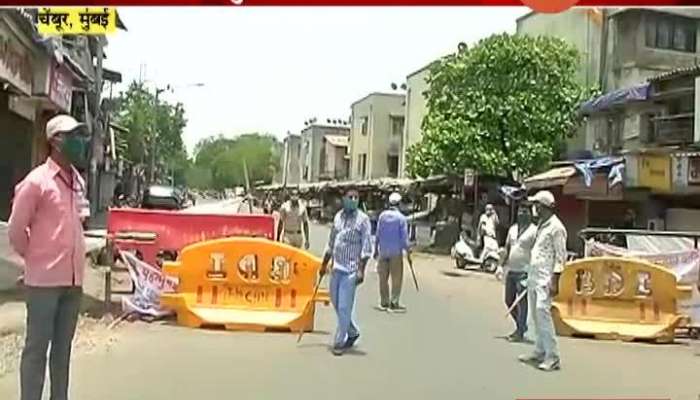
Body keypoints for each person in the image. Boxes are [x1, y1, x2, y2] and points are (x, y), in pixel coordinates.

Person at [8, 114, 90, 400]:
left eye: (81, 135)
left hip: (73, 280)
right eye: (73, 136)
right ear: (55, 141)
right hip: (43, 282)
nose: (80, 142)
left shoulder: (77, 182)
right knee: (36, 350)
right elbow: (17, 229)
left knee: (62, 353)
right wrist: (34, 259)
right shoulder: (36, 182)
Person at [519, 190, 567, 372]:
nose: (534, 208)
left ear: (544, 206)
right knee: (535, 315)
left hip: (546, 278)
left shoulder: (557, 228)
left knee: (542, 313)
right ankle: (539, 350)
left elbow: (560, 257)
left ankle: (552, 356)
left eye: (536, 205)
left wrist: (555, 280)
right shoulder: (541, 225)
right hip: (534, 276)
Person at [320, 188, 372, 356]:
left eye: (356, 197)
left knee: (344, 306)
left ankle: (339, 341)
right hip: (336, 267)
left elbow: (366, 247)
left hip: (351, 269)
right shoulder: (338, 217)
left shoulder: (363, 220)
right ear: (344, 199)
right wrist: (324, 264)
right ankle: (352, 331)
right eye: (350, 197)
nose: (353, 199)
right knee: (336, 302)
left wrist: (361, 271)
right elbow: (331, 242)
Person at [502, 203, 537, 342]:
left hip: (524, 271)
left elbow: (537, 252)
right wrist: (500, 265)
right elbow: (507, 248)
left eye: (525, 211)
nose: (522, 213)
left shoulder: (534, 231)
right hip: (511, 271)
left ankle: (520, 331)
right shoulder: (513, 229)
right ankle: (521, 325)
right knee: (509, 300)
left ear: (530, 214)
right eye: (520, 210)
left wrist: (533, 271)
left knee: (522, 303)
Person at [374, 192, 411, 312]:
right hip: (396, 253)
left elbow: (377, 234)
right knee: (396, 278)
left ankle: (384, 302)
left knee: (382, 278)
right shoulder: (401, 218)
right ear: (399, 204)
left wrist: (375, 250)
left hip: (383, 251)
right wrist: (408, 252)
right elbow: (404, 239)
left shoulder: (382, 216)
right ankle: (394, 302)